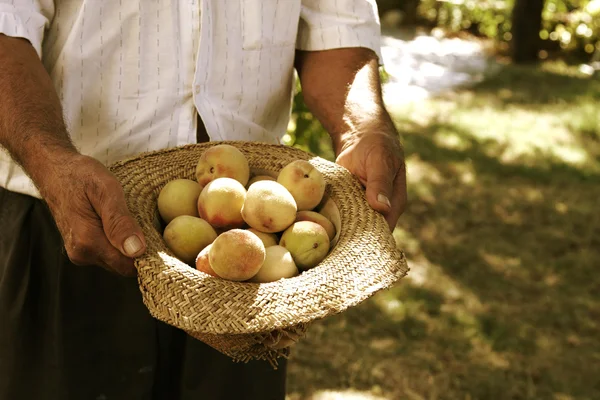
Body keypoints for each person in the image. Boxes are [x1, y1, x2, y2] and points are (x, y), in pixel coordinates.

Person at [0, 1, 406, 399]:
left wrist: (363, 127)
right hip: (68, 219)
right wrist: (52, 161)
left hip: (249, 269)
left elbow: (338, 28)